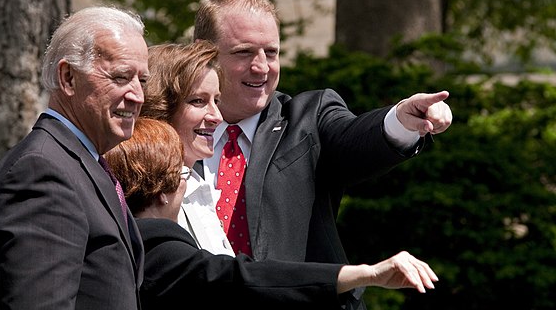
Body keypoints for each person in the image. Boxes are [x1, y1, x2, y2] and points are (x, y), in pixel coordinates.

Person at [192, 0, 453, 309]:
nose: (261, 67)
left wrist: (401, 119)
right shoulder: (172, 135)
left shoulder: (308, 119)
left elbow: (354, 138)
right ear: (204, 55)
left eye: (271, 53)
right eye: (244, 53)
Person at [105, 113, 438, 309]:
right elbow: (239, 277)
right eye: (182, 175)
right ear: (162, 193)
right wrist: (365, 274)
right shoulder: (158, 249)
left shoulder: (114, 234)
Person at [0, 6, 148, 310]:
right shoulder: (41, 172)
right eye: (120, 77)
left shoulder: (80, 163)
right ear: (68, 77)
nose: (137, 96)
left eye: (142, 81)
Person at [140, 40, 235, 255]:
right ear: (161, 106)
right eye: (198, 101)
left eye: (216, 101)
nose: (217, 117)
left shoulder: (197, 184)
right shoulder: (148, 195)